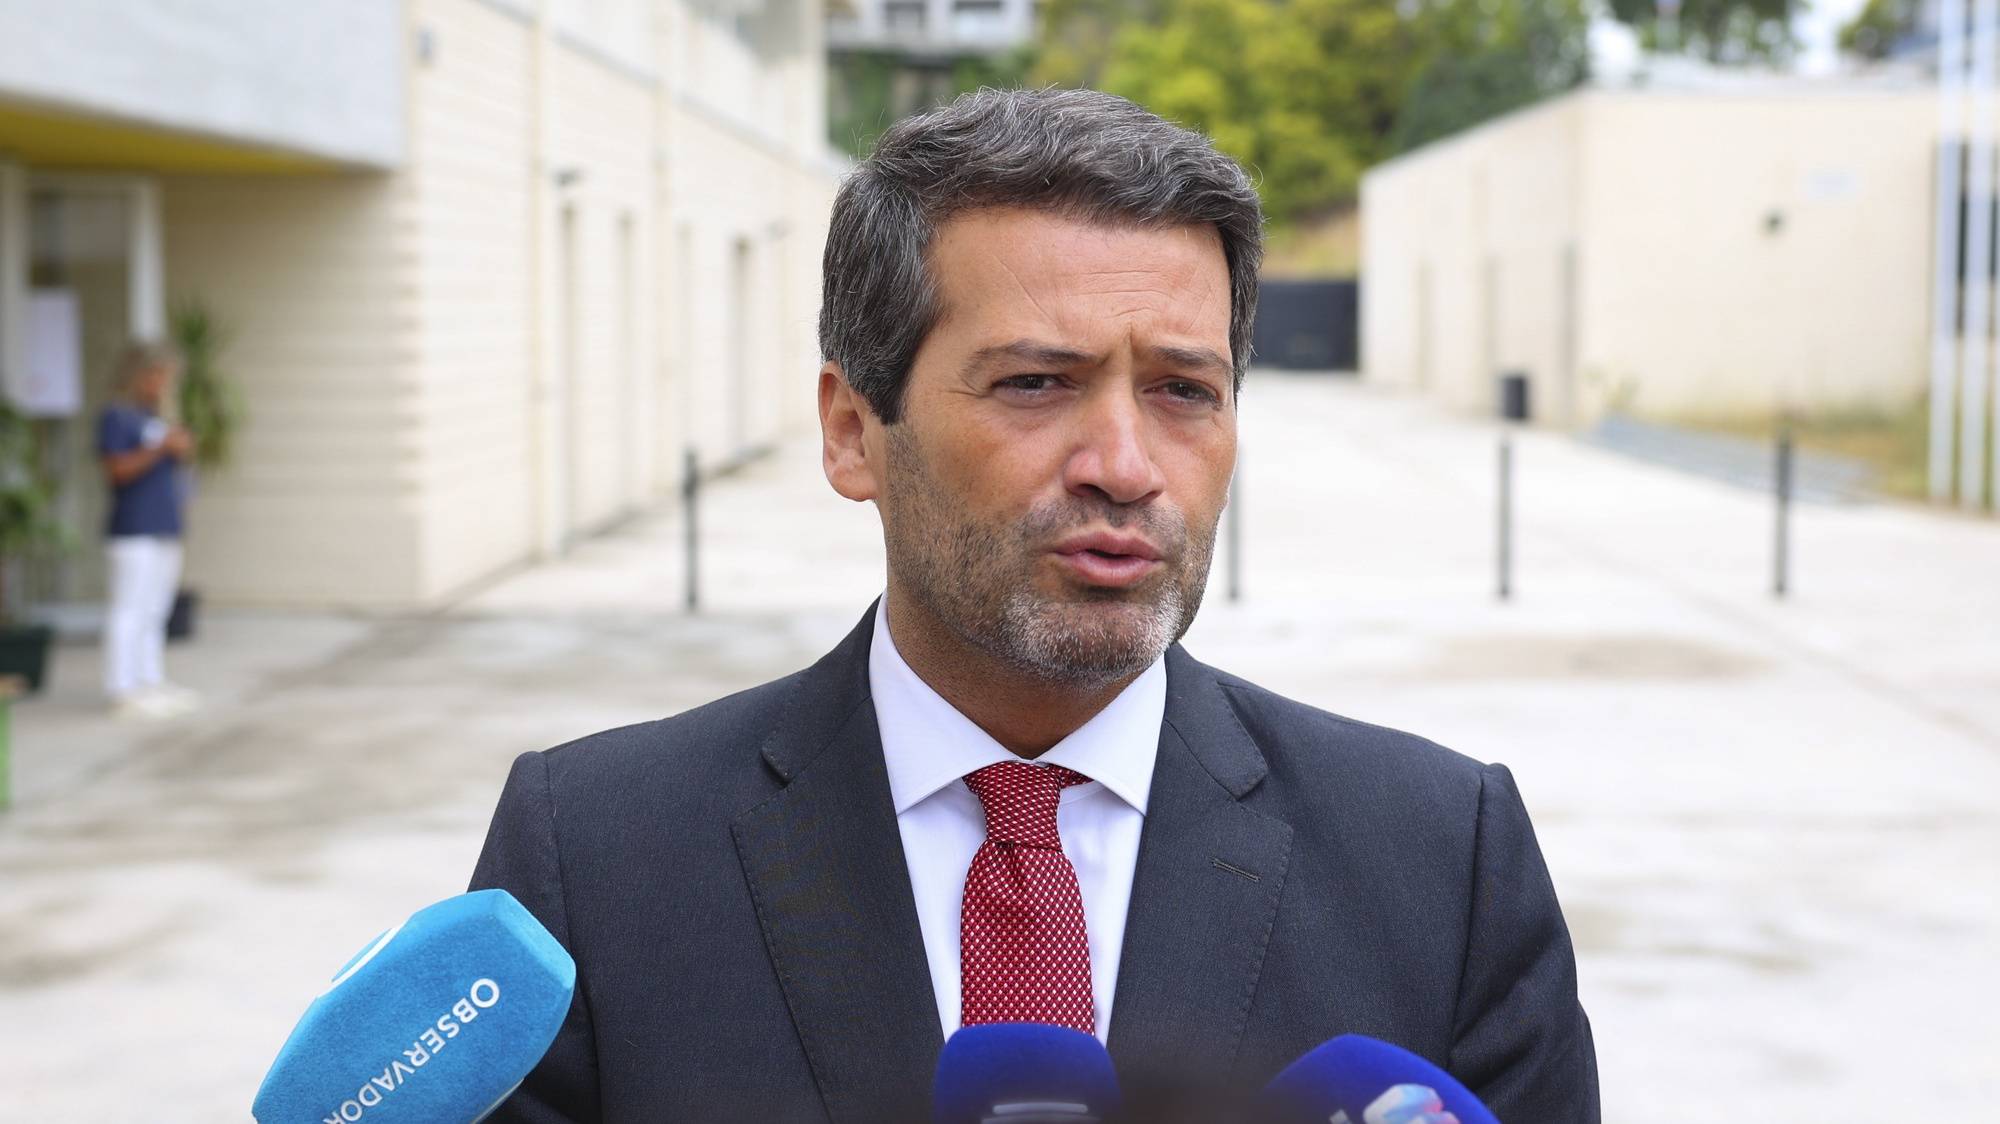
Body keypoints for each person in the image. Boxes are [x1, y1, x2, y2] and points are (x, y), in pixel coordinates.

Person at [471, 88, 1598, 1122]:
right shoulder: (591, 859)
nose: (1122, 462)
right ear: (852, 429)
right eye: (1034, 382)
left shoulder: (1441, 857)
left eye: (1181, 391)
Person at [97, 341, 197, 719]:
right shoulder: (117, 417)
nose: (162, 384)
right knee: (128, 608)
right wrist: (160, 450)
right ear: (137, 376)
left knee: (155, 610)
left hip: (165, 526)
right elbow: (117, 470)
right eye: (156, 375)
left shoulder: (156, 418)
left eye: (167, 377)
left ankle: (150, 681)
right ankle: (121, 688)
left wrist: (179, 448)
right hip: (133, 529)